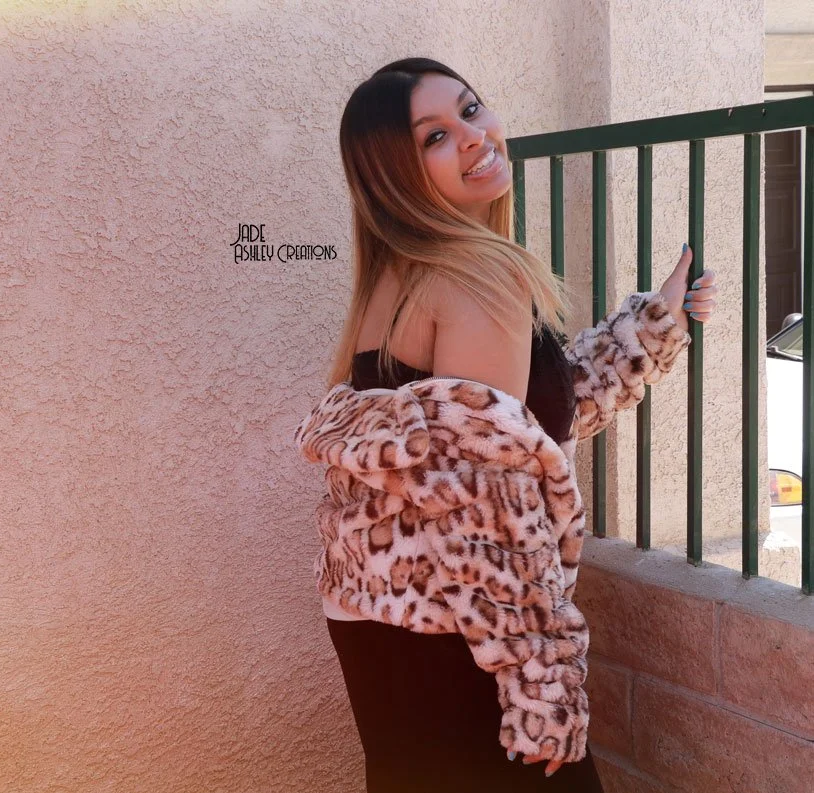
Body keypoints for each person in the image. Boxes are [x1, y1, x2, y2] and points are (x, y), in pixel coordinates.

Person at [297, 57, 720, 792]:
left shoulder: (399, 274)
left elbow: (523, 422)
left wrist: (652, 324)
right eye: (434, 136)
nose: (473, 135)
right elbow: (491, 512)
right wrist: (542, 687)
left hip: (389, 623)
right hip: (464, 641)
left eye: (470, 108)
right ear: (396, 173)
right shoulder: (474, 275)